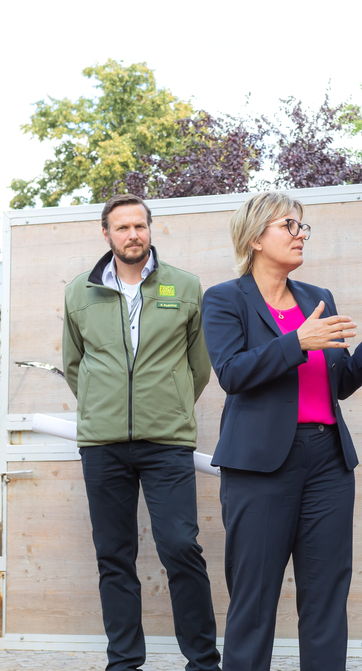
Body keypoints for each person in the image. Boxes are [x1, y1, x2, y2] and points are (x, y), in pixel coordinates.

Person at [201, 191, 362, 671]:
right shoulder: (225, 299)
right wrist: (296, 341)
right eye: (289, 225)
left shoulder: (317, 298)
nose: (300, 234)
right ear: (255, 238)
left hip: (327, 461)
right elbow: (231, 373)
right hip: (260, 466)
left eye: (302, 226)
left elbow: (338, 384)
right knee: (254, 597)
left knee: (327, 593)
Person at [62, 193, 220, 671]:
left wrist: (165, 405)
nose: (133, 234)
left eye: (140, 226)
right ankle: (124, 662)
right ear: (105, 234)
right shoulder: (78, 292)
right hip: (102, 445)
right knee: (114, 555)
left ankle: (203, 662)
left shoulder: (186, 287)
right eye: (122, 227)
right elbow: (74, 366)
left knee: (180, 548)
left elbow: (199, 367)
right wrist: (101, 407)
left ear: (151, 230)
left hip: (166, 442)